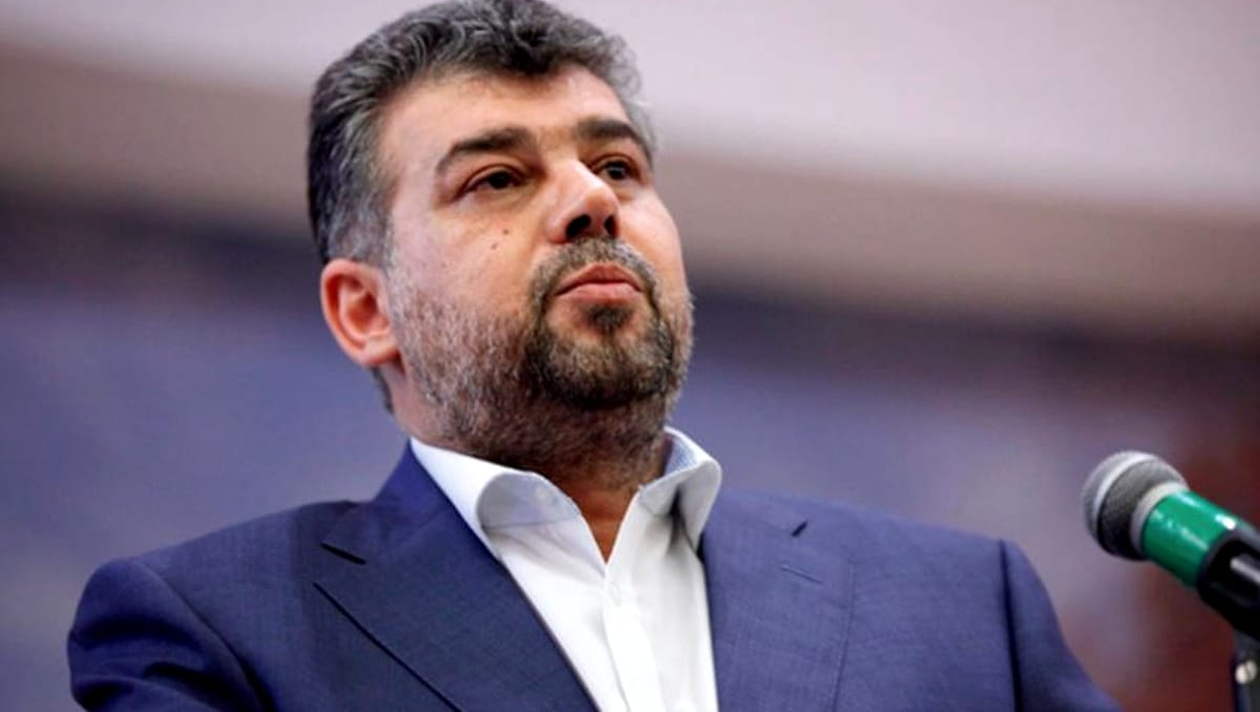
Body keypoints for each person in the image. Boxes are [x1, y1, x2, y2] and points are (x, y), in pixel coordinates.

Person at [67, 1, 1119, 709]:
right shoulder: (214, 633)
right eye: (496, 178)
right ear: (366, 310)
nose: (592, 200)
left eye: (617, 164)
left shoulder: (963, 608)